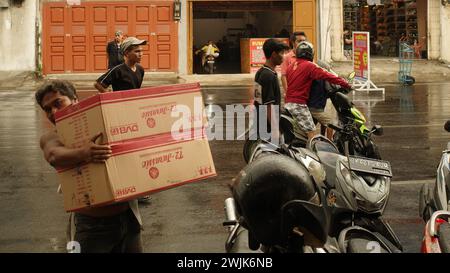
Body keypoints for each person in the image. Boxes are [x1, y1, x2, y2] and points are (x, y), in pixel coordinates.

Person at [35, 80, 143, 253]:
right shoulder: (52, 137)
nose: (53, 112)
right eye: (47, 109)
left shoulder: (103, 123)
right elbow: (53, 155)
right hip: (91, 226)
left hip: (129, 217)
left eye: (58, 103)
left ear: (75, 100)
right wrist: (84, 153)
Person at [285, 41, 352, 140]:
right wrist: (346, 84)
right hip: (299, 105)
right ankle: (314, 153)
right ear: (311, 53)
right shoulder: (310, 66)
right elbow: (329, 76)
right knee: (313, 132)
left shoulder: (291, 66)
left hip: (288, 103)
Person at [252, 38, 289, 142]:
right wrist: (275, 130)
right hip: (267, 127)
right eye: (281, 53)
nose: (283, 56)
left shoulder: (261, 72)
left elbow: (258, 99)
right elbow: (269, 105)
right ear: (273, 54)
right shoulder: (268, 76)